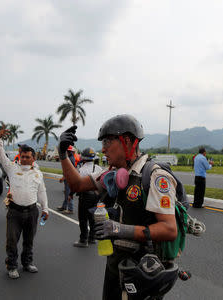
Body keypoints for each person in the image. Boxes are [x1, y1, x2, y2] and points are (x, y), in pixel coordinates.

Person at [58, 114, 178, 300]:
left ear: (127, 141)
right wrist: (63, 154)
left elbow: (169, 229)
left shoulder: (154, 176)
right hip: (116, 267)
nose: (103, 149)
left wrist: (120, 229)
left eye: (108, 141)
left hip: (143, 273)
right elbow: (77, 185)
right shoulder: (113, 176)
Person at [0, 127, 49, 279]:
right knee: (12, 241)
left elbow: (42, 192)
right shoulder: (12, 168)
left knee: (29, 240)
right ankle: (12, 266)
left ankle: (27, 263)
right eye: (22, 156)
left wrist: (45, 209)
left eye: (27, 157)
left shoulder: (38, 173)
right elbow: (1, 156)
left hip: (32, 212)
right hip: (14, 212)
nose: (24, 159)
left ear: (33, 158)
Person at [73, 147, 103, 248]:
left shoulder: (81, 170)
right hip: (96, 197)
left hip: (85, 197)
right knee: (93, 218)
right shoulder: (98, 168)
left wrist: (70, 194)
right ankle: (92, 238)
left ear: (83, 158)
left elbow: (77, 185)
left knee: (83, 219)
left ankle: (83, 240)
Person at [57, 145, 76, 214]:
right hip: (68, 178)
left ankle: (70, 209)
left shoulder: (70, 159)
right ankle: (64, 206)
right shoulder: (70, 157)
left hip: (69, 178)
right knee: (66, 193)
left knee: (68, 193)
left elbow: (68, 170)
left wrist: (63, 177)